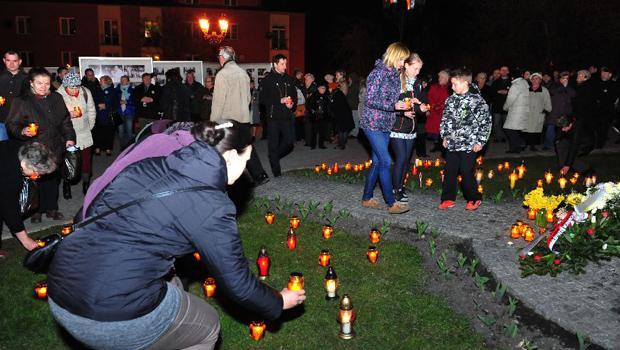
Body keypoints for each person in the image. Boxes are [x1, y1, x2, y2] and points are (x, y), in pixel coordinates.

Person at [46, 120, 306, 350]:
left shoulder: (150, 165)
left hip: (61, 287)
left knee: (174, 286)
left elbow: (93, 207)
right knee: (207, 326)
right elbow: (237, 283)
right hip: (109, 314)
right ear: (228, 157)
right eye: (246, 160)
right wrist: (278, 301)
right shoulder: (211, 205)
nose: (246, 169)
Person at [6, 67, 76, 222]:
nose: (43, 87)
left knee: (52, 180)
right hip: (33, 148)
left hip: (54, 146)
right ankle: (35, 211)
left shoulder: (56, 98)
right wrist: (23, 131)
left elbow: (65, 121)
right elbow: (12, 125)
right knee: (35, 181)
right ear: (31, 83)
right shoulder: (22, 101)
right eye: (39, 83)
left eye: (46, 83)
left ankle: (52, 208)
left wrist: (70, 138)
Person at [360, 42, 410, 215]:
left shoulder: (395, 75)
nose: (403, 63)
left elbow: (392, 100)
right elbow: (370, 100)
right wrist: (394, 105)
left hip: (386, 123)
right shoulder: (378, 73)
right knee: (386, 161)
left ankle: (367, 198)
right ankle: (391, 203)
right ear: (394, 55)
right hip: (372, 123)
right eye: (402, 59)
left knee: (377, 161)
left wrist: (403, 106)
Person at [210, 46, 269, 185]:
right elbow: (248, 98)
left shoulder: (222, 74)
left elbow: (218, 102)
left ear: (223, 57)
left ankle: (221, 179)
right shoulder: (243, 73)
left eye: (219, 57)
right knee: (246, 147)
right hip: (243, 118)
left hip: (228, 119)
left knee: (222, 149)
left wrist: (213, 122)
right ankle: (260, 175)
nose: (219, 59)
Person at [439, 68, 491, 211]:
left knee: (466, 171)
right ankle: (448, 198)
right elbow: (445, 119)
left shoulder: (476, 100)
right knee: (449, 170)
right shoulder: (450, 99)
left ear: (465, 83)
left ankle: (474, 198)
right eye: (452, 84)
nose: (452, 87)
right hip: (453, 144)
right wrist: (445, 136)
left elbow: (486, 122)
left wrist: (480, 141)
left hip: (469, 144)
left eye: (455, 84)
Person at [0, 141, 57, 258]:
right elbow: (9, 208)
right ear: (25, 164)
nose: (36, 177)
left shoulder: (23, 150)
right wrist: (25, 240)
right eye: (36, 173)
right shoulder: (9, 172)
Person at [390, 53, 428, 203]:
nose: (417, 72)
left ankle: (400, 185)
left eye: (419, 69)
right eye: (415, 68)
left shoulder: (417, 83)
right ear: (406, 65)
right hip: (396, 126)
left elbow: (421, 102)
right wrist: (402, 112)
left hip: (411, 128)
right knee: (401, 158)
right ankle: (395, 190)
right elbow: (389, 104)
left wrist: (422, 107)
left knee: (406, 160)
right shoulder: (395, 81)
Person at [57, 70, 96, 197]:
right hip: (67, 134)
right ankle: (66, 184)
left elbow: (91, 110)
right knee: (67, 161)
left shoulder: (85, 92)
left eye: (76, 87)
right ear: (65, 86)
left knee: (86, 160)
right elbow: (54, 116)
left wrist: (90, 126)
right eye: (71, 87)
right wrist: (68, 114)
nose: (74, 90)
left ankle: (86, 183)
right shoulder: (58, 95)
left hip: (84, 132)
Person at [259, 54, 297, 177]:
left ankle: (273, 157)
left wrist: (292, 104)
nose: (285, 66)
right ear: (275, 64)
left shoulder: (289, 79)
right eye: (282, 64)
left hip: (286, 116)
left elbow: (294, 95)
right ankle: (276, 171)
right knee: (273, 144)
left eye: (285, 63)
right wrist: (279, 100)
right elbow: (263, 100)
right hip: (273, 118)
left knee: (289, 142)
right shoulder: (267, 80)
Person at [0, 50, 29, 142]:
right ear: (4, 60)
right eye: (8, 60)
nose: (11, 64)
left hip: (21, 122)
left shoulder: (27, 78)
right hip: (1, 121)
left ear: (19, 61)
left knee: (20, 151)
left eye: (15, 61)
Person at [545, 72, 575, 150]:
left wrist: (566, 87)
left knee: (563, 130)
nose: (564, 80)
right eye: (563, 78)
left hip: (565, 112)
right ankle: (548, 145)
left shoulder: (571, 87)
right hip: (554, 111)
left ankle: (561, 145)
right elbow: (551, 92)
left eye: (566, 79)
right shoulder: (554, 85)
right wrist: (563, 87)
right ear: (560, 78)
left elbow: (573, 95)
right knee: (550, 128)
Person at [503, 68, 529, 154]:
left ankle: (520, 144)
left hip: (516, 111)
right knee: (515, 130)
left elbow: (510, 99)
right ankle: (515, 148)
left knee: (508, 129)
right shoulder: (525, 84)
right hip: (523, 110)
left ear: (512, 77)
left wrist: (505, 107)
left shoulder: (515, 85)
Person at [524, 72, 552, 151]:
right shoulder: (526, 89)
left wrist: (547, 110)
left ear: (540, 80)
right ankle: (526, 144)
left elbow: (547, 101)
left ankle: (533, 146)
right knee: (526, 129)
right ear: (531, 80)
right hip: (527, 113)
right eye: (533, 79)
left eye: (537, 79)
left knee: (535, 130)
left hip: (538, 113)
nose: (535, 80)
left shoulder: (544, 90)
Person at [93, 75, 120, 156]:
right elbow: (93, 101)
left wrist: (106, 106)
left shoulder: (113, 91)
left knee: (109, 133)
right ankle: (97, 148)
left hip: (108, 116)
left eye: (101, 80)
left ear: (106, 81)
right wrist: (98, 106)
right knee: (98, 133)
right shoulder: (97, 90)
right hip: (98, 115)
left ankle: (108, 149)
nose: (100, 82)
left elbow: (116, 104)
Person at [426, 70, 450, 154]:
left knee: (442, 131)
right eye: (439, 77)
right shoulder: (434, 87)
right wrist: (430, 108)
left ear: (447, 79)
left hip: (443, 113)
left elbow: (448, 100)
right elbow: (429, 98)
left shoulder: (450, 88)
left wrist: (441, 106)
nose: (440, 79)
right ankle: (436, 145)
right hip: (433, 112)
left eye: (442, 77)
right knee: (434, 131)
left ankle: (443, 147)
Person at [594, 66, 619, 148]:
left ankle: (600, 144)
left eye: (605, 73)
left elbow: (612, 97)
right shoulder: (597, 83)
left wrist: (603, 95)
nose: (603, 74)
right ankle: (599, 141)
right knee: (598, 127)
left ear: (610, 75)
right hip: (597, 109)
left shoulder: (613, 85)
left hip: (607, 110)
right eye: (602, 73)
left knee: (604, 127)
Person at [329, 79, 354, 150]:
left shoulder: (335, 94)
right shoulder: (339, 93)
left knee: (342, 129)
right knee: (344, 129)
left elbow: (334, 105)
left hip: (342, 114)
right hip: (345, 113)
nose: (329, 89)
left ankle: (341, 144)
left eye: (330, 88)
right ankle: (342, 144)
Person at [306, 80, 330, 149]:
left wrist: (328, 114)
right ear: (318, 88)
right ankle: (313, 145)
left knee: (322, 132)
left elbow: (328, 106)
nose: (324, 90)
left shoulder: (326, 96)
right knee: (314, 132)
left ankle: (321, 145)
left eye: (324, 88)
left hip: (323, 116)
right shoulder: (314, 96)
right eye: (322, 88)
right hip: (315, 117)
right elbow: (309, 105)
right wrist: (313, 112)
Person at [490, 66, 511, 143]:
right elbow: (491, 93)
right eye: (502, 70)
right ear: (500, 72)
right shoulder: (495, 82)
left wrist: (507, 92)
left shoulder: (512, 82)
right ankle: (497, 137)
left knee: (506, 124)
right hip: (497, 106)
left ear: (508, 71)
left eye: (506, 70)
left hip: (507, 107)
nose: (504, 71)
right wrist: (498, 92)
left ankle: (504, 137)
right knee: (496, 123)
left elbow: (514, 93)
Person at [116, 75, 136, 148]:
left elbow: (135, 102)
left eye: (124, 80)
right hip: (118, 113)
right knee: (120, 132)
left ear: (128, 81)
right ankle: (122, 147)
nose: (123, 81)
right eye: (122, 80)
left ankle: (129, 148)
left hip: (129, 113)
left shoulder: (132, 90)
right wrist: (119, 102)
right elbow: (113, 101)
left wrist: (127, 102)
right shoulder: (116, 90)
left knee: (129, 131)